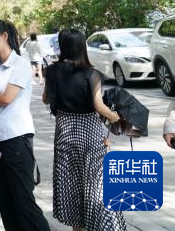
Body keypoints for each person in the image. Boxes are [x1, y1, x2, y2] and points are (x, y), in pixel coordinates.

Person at [42, 28, 125, 231]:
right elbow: (99, 106)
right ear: (82, 47)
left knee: (72, 183)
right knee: (96, 184)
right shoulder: (91, 73)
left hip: (64, 131)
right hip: (89, 131)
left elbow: (45, 99)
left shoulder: (51, 71)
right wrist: (114, 116)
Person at [0, 19, 51, 231]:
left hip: (17, 138)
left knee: (23, 201)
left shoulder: (20, 64)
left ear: (5, 36)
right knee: (5, 200)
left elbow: (6, 98)